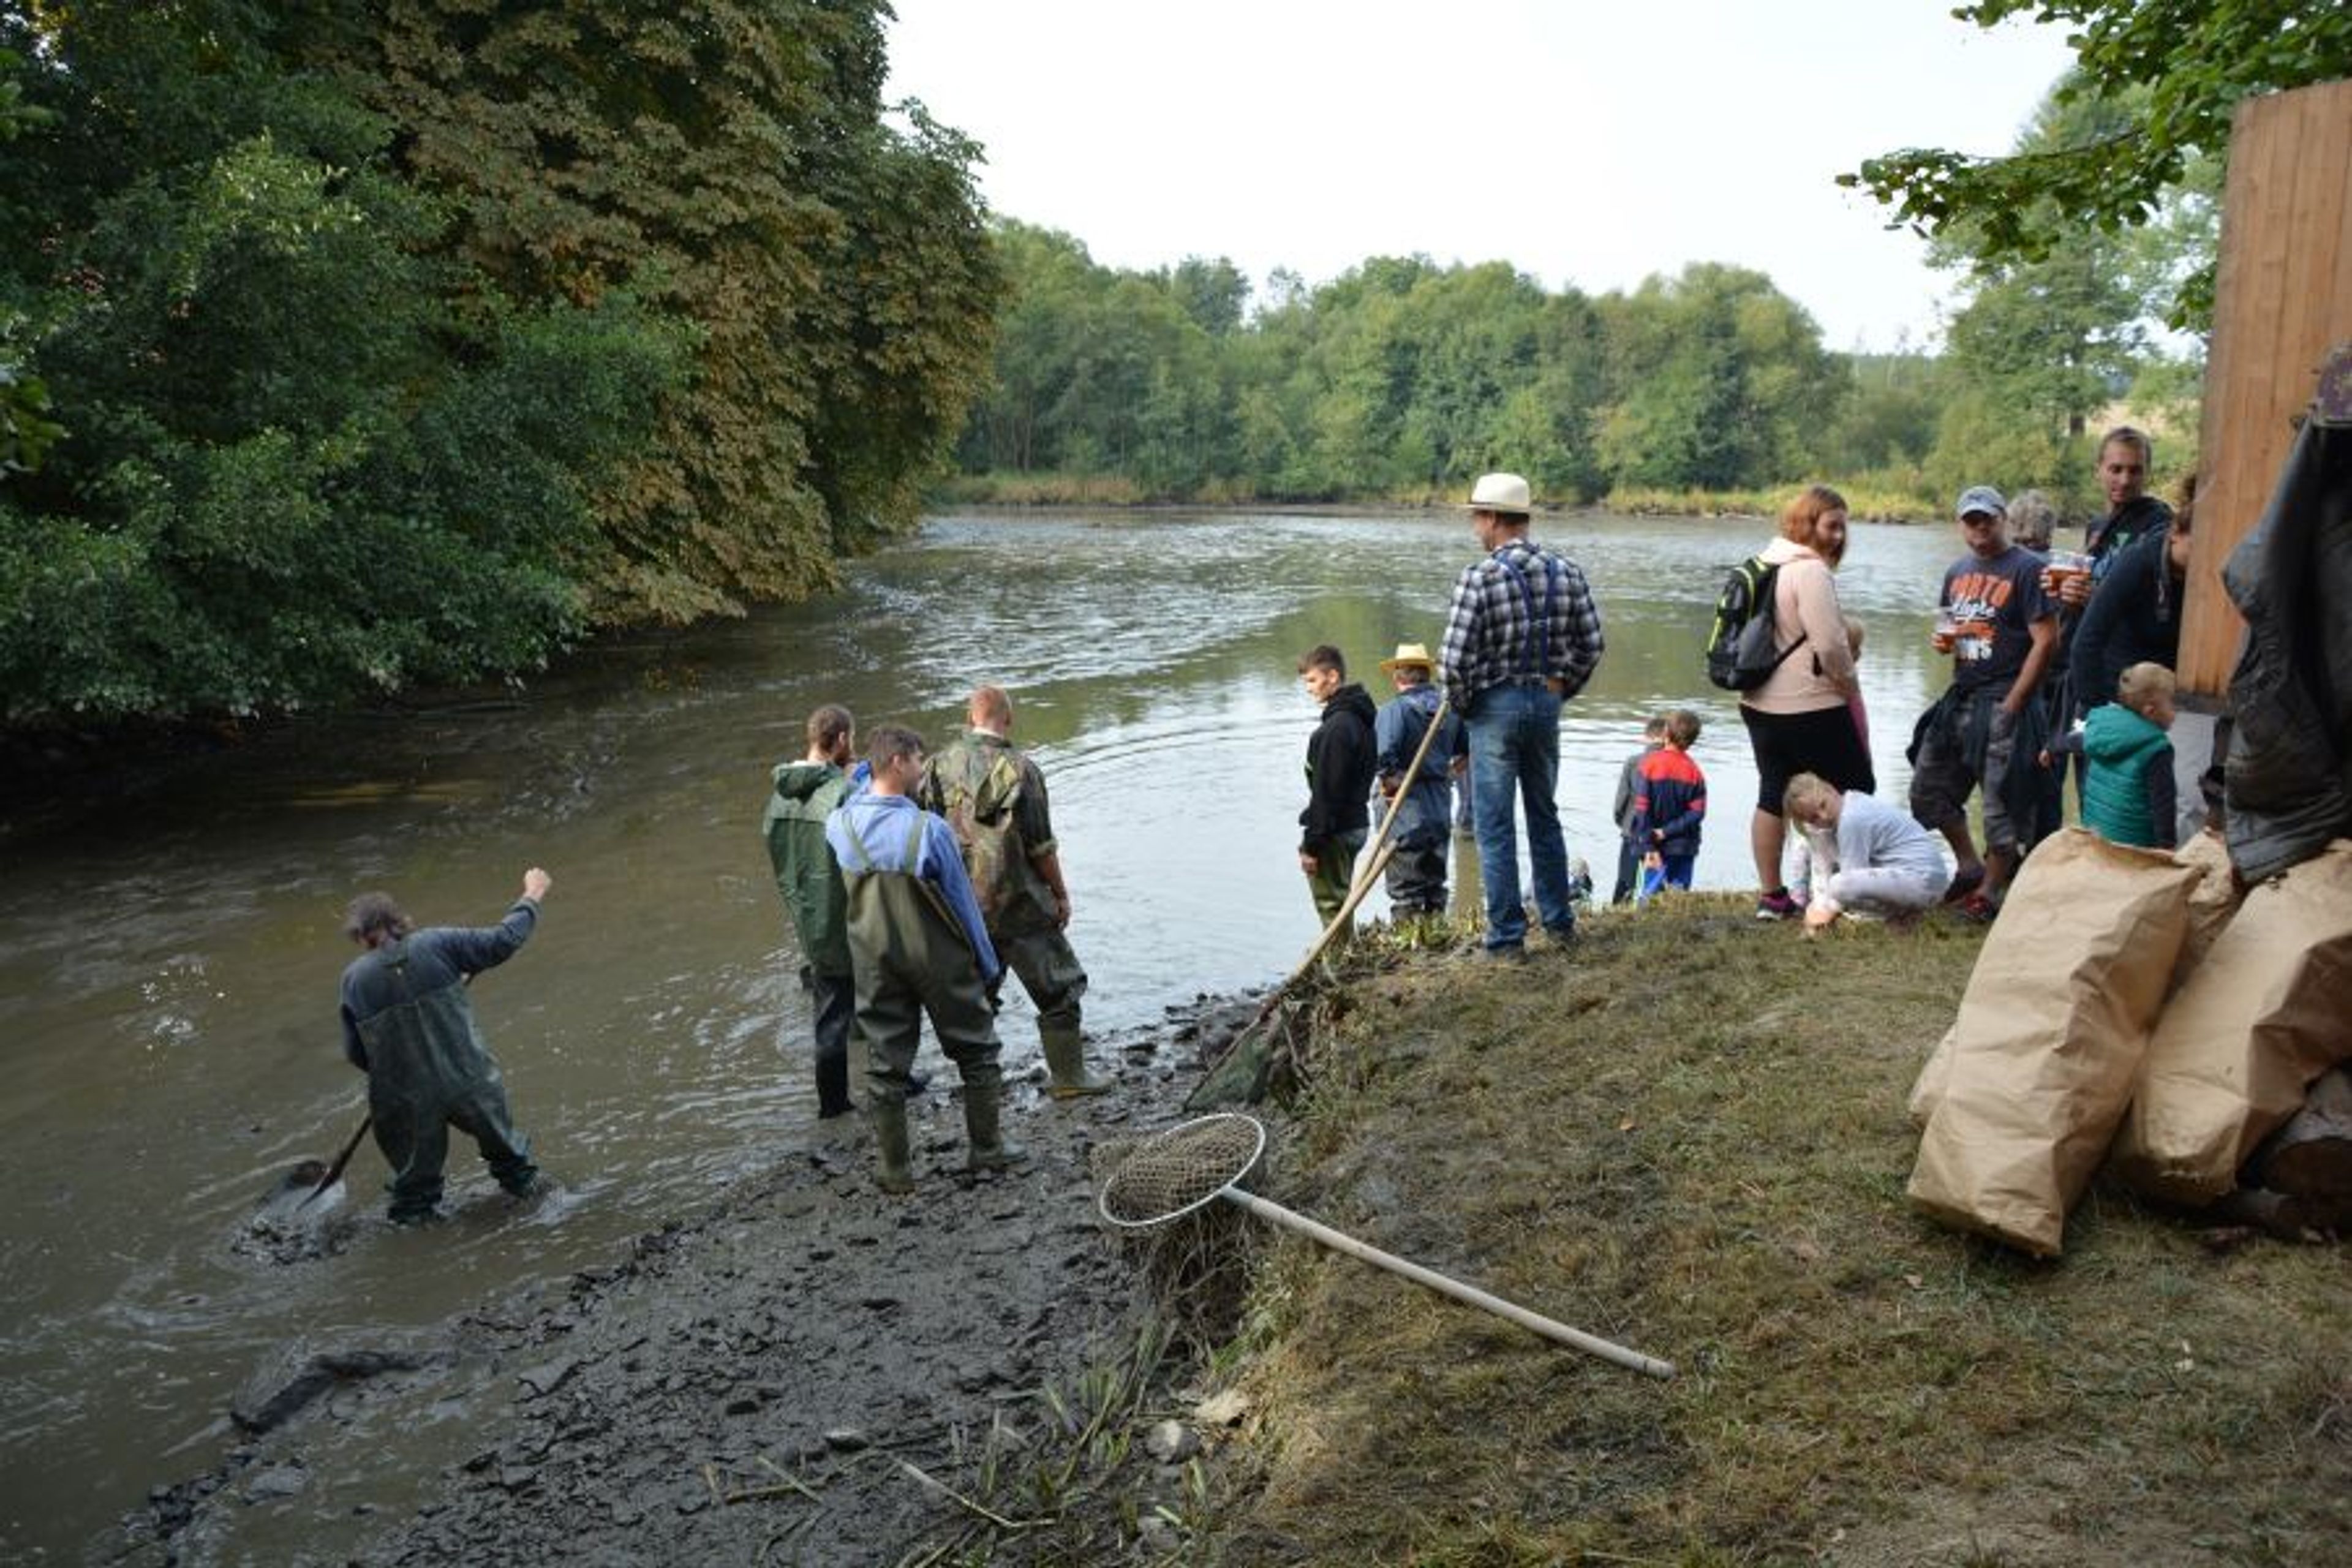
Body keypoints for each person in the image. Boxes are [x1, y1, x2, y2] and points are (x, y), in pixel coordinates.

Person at [826, 725, 1021, 1195]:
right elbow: (963, 906)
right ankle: (987, 1150)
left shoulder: (841, 825)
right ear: (899, 762)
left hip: (875, 958)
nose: (922, 769)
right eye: (918, 760)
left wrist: (862, 777)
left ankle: (895, 1171)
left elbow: (855, 795)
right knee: (977, 1051)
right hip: (938, 961)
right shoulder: (930, 830)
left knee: (885, 1065)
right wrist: (988, 964)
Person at [1437, 472, 1604, 957]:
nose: (1474, 527)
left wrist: (1470, 707)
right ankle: (1558, 922)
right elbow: (1592, 644)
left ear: (1492, 518)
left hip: (1494, 708)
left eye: (1476, 517)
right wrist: (1560, 687)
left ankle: (1507, 937)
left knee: (1494, 824)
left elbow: (1452, 662)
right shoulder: (1566, 572)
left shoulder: (1480, 577)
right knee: (1544, 814)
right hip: (1546, 705)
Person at [918, 685, 1108, 1099]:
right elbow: (1042, 846)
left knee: (976, 999)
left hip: (963, 906)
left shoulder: (935, 766)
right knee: (1059, 990)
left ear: (970, 718)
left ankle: (979, 1088)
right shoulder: (1023, 770)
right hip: (1020, 905)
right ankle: (1069, 1078)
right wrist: (1061, 895)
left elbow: (925, 832)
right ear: (1009, 719)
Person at [338, 869, 550, 1226]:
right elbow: (504, 941)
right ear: (399, 922)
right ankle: (543, 1214)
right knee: (515, 1166)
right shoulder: (439, 943)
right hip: (469, 1080)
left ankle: (418, 1246)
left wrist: (395, 1071)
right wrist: (532, 896)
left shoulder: (354, 981)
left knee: (414, 1197)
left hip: (405, 1100)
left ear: (360, 936)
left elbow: (356, 1054)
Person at [1908, 486, 2059, 919]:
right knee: (1927, 791)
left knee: (2001, 803)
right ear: (1961, 524)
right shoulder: (1956, 571)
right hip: (1962, 696)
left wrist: (2014, 703)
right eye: (1971, 520)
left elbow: (2048, 640)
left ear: (2003, 520)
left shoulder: (2028, 569)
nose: (1979, 528)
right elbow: (1950, 631)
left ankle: (1990, 894)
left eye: (1987, 519)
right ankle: (1970, 866)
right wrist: (1942, 643)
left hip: (2005, 699)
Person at [1739, 484, 1872, 920]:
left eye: (1843, 528)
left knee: (1771, 795)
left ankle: (1772, 896)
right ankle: (1850, 893)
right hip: (1809, 706)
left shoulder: (1763, 563)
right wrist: (1850, 686)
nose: (1839, 536)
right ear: (1807, 522)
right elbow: (1831, 646)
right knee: (1856, 790)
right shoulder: (1810, 571)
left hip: (1757, 703)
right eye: (1832, 526)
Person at [762, 704, 864, 1120]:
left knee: (831, 1001)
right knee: (842, 1012)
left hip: (805, 910)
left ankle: (840, 1098)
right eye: (851, 739)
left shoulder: (779, 795)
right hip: (842, 914)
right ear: (841, 739)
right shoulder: (841, 792)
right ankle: (835, 1107)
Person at [1782, 774, 1948, 930]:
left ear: (1830, 789)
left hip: (1924, 884)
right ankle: (1801, 898)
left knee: (1840, 886)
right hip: (1920, 880)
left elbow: (1851, 877)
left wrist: (1826, 909)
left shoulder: (1851, 820)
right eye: (1813, 818)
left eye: (1823, 805)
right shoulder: (1851, 801)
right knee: (1805, 843)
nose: (1823, 816)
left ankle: (1892, 914)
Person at [1371, 642, 1464, 922]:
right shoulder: (1449, 711)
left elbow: (1382, 761)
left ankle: (1410, 946)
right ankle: (1436, 934)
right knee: (1434, 883)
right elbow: (1468, 752)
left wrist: (1389, 791)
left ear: (1397, 676)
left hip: (1405, 807)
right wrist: (1447, 775)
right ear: (1427, 674)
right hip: (1439, 804)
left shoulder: (1394, 710)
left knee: (1405, 889)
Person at [1296, 644, 1378, 942]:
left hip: (1337, 830)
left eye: (1312, 680)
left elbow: (1327, 793)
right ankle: (1349, 961)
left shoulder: (1336, 729)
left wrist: (1312, 844)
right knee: (1342, 903)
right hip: (1358, 823)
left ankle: (1341, 971)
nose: (1309, 689)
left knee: (1332, 908)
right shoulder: (1361, 718)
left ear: (1333, 677)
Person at [2049, 662, 2179, 849]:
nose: (2176, 711)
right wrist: (2167, 848)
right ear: (2150, 711)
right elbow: (2163, 806)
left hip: (2097, 838)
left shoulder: (2101, 725)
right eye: (2172, 703)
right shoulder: (2157, 749)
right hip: (2135, 848)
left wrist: (2052, 748)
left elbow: (2073, 741)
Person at [1627, 709, 1707, 895]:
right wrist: (1666, 832)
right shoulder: (1695, 772)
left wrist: (1650, 845)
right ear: (1692, 741)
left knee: (1650, 894)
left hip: (1653, 846)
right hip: (1684, 846)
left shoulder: (1649, 765)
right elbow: (1697, 813)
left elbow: (1642, 809)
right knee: (1679, 894)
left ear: (1665, 733)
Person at [1610, 714, 1670, 905]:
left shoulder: (1633, 762)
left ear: (1647, 736)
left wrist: (1624, 824)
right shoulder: (1676, 764)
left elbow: (1621, 801)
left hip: (1633, 829)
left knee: (1626, 880)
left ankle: (1618, 912)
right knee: (1656, 881)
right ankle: (1652, 912)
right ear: (1668, 737)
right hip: (1662, 833)